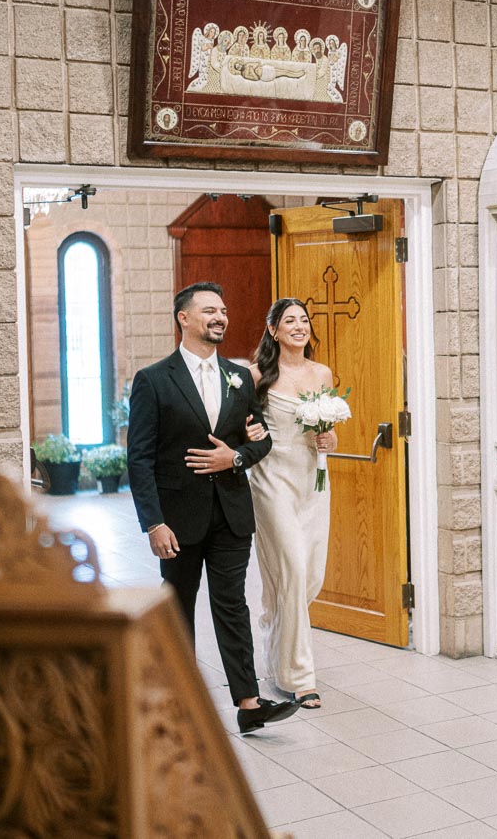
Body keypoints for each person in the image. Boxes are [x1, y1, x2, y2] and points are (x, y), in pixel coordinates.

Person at [126, 282, 299, 735]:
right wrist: (153, 522)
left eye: (222, 310)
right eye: (209, 310)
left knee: (232, 605)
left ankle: (248, 703)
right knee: (178, 607)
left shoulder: (239, 377)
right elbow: (139, 458)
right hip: (177, 519)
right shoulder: (153, 380)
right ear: (183, 318)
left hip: (231, 514)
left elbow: (260, 439)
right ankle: (179, 701)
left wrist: (235, 457)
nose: (220, 317)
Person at [247, 299, 337, 709]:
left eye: (304, 320)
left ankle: (273, 629)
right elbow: (240, 427)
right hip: (272, 480)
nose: (299, 326)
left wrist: (329, 439)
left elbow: (330, 433)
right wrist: (246, 436)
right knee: (294, 569)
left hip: (313, 480)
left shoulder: (322, 373)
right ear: (273, 329)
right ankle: (300, 678)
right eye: (290, 320)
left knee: (310, 575)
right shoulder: (256, 375)